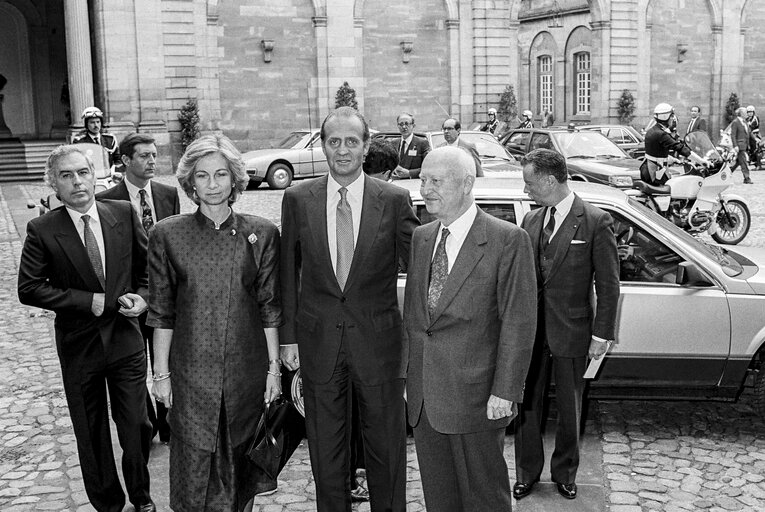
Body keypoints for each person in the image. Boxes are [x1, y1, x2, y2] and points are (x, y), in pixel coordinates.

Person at [280, 106, 419, 512]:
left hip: (379, 345)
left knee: (386, 449)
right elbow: (289, 272)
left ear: (366, 147)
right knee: (326, 451)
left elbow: (421, 265)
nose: (342, 151)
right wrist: (288, 337)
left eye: (351, 142)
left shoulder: (393, 200)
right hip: (318, 342)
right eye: (334, 141)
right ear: (322, 145)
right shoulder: (297, 198)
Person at [148, 134, 283, 511]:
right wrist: (161, 375)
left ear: (235, 179)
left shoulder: (263, 233)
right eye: (203, 175)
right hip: (190, 373)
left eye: (221, 174)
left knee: (241, 469)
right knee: (193, 471)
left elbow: (269, 305)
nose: (212, 184)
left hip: (246, 370)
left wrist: (274, 370)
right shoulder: (167, 234)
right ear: (190, 181)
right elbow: (161, 311)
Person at [18, 145, 155, 512]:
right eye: (67, 176)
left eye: (83, 172)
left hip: (126, 339)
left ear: (96, 175)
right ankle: (108, 503)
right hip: (79, 344)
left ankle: (142, 496)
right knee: (91, 431)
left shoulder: (123, 214)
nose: (77, 182)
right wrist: (85, 300)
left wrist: (142, 298)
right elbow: (28, 287)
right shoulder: (43, 229)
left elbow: (147, 271)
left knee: (137, 425)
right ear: (54, 185)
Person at [404, 146, 537, 511]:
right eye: (423, 179)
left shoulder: (507, 240)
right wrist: (408, 378)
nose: (426, 189)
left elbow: (519, 323)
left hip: (478, 399)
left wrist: (505, 391)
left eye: (436, 181)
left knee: (484, 497)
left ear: (466, 184)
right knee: (440, 498)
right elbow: (416, 319)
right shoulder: (423, 237)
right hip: (426, 399)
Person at [513, 148, 620, 502]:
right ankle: (527, 473)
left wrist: (601, 335)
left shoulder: (594, 220)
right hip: (531, 334)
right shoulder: (530, 221)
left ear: (547, 180)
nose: (526, 189)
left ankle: (565, 473)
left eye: (529, 182)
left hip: (573, 332)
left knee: (572, 408)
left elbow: (608, 285)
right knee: (527, 405)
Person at [96, 132, 181, 443]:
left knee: (167, 359)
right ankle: (146, 423)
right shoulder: (107, 200)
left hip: (166, 296)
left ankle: (170, 424)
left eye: (154, 155)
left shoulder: (167, 193)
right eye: (144, 156)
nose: (152, 161)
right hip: (130, 299)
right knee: (133, 365)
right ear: (126, 160)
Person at [641, 103, 701, 186]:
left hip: (648, 168)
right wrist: (701, 161)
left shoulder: (654, 130)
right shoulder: (661, 134)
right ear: (665, 117)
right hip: (654, 172)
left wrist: (675, 160)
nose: (672, 118)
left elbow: (657, 152)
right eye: (671, 116)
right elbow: (679, 148)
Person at [393, 112, 430, 179]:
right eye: (401, 124)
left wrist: (410, 173)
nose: (404, 127)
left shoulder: (422, 143)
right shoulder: (393, 143)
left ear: (413, 125)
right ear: (397, 126)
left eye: (407, 124)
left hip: (413, 183)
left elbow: (428, 167)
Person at [731, 106, 754, 184]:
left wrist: (756, 139)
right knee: (743, 161)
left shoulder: (745, 122)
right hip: (739, 146)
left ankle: (728, 172)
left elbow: (749, 133)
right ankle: (747, 178)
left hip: (745, 145)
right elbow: (733, 135)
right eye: (745, 112)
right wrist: (735, 145)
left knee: (739, 161)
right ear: (740, 114)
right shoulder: (735, 122)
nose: (747, 114)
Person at [746, 105, 762, 170]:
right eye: (749, 112)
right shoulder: (746, 119)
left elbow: (754, 125)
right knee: (750, 149)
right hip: (749, 135)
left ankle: (759, 165)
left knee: (756, 149)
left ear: (753, 112)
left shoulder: (755, 118)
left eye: (751, 112)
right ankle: (752, 161)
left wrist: (750, 125)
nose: (750, 113)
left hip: (755, 135)